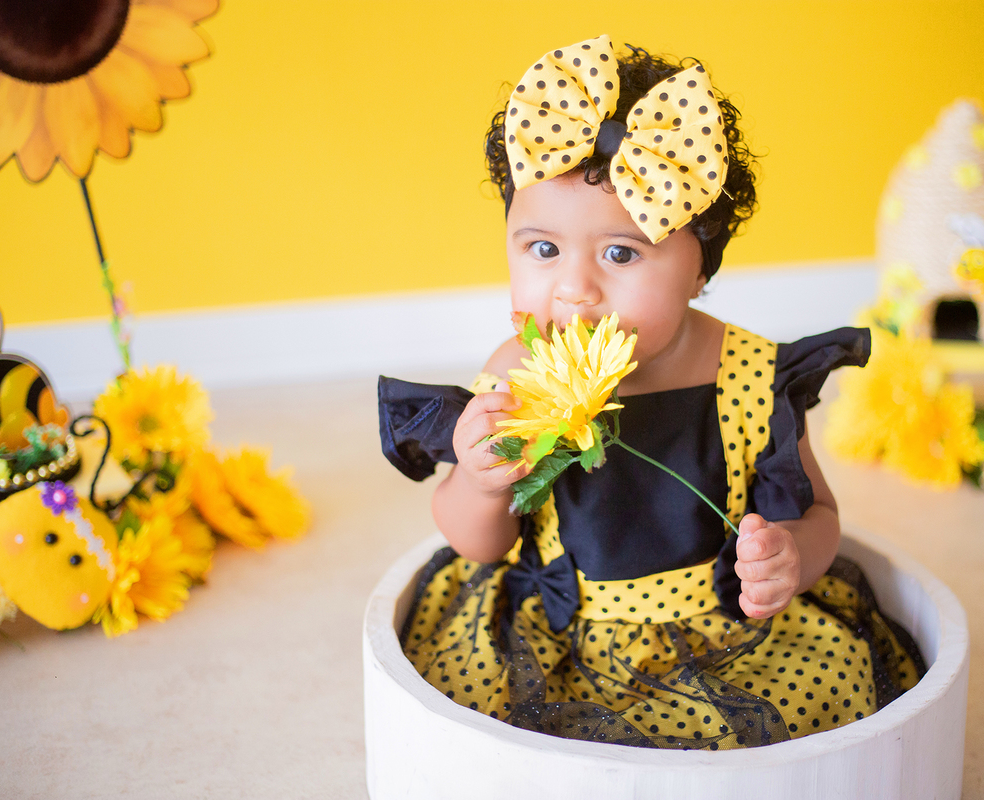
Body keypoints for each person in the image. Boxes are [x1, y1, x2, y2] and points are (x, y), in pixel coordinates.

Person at [378, 35, 923, 750]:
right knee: (496, 720)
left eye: (621, 253)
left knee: (819, 693)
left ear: (701, 269)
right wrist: (480, 484)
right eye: (543, 249)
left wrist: (790, 555)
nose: (575, 288)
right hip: (561, 631)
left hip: (728, 631)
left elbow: (819, 512)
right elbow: (477, 545)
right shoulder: (517, 375)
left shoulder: (750, 372)